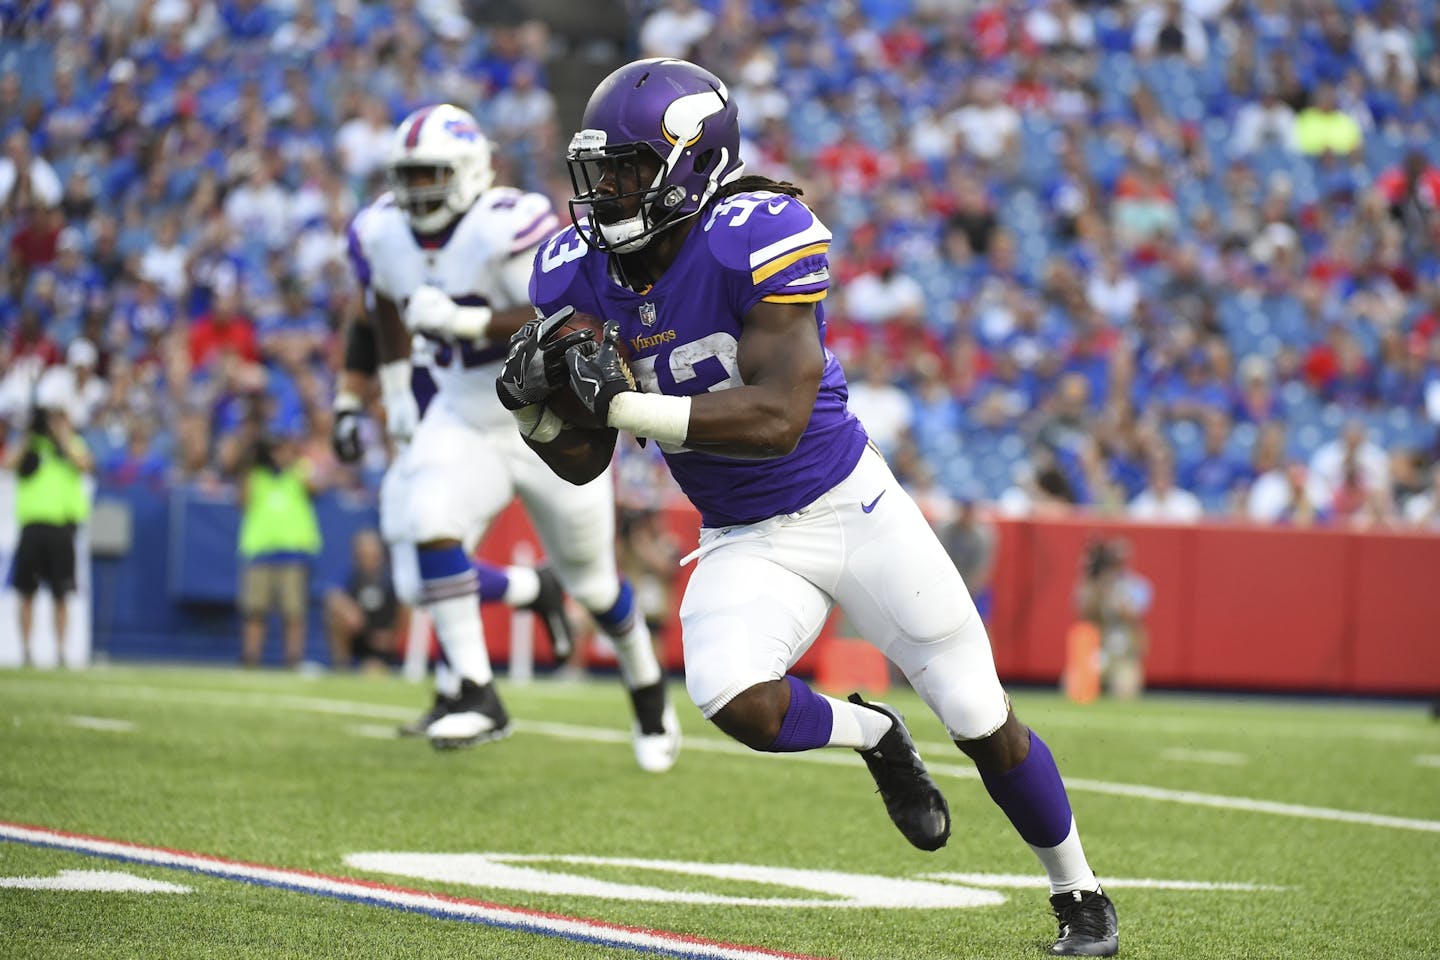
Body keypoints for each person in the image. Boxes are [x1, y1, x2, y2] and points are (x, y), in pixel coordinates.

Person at [501, 58, 1118, 956]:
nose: (608, 192)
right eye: (601, 173)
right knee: (732, 699)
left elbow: (780, 417)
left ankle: (1079, 891)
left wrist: (619, 402)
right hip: (744, 535)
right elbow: (584, 464)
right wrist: (535, 413)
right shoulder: (576, 273)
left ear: (689, 163)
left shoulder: (753, 233)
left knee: (981, 717)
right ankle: (873, 730)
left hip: (850, 505)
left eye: (631, 170)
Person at [340, 103, 679, 769]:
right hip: (464, 412)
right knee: (428, 522)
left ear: (470, 171)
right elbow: (381, 302)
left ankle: (646, 687)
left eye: (434, 174)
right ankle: (474, 688)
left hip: (546, 417)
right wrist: (393, 386)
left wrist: (469, 324)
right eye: (409, 176)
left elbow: (568, 311)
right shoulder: (381, 230)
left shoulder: (511, 223)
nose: (418, 191)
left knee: (597, 585)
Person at [4, 398, 92, 667]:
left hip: (61, 527)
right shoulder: (30, 447)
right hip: (32, 526)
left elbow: (85, 464)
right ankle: (26, 651)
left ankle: (62, 652)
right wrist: (29, 436)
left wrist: (63, 439)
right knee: (26, 592)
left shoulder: (73, 445)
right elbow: (7, 463)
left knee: (61, 593)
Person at [237, 432, 324, 668]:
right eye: (274, 449)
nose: (279, 454)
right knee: (255, 610)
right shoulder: (256, 475)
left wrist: (295, 458)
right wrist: (248, 460)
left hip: (293, 551)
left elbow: (317, 487)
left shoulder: (299, 470)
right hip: (260, 551)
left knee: (293, 611)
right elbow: (242, 501)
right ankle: (250, 658)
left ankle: (293, 659)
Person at [1074, 538, 1152, 700]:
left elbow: (1133, 616)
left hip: (1123, 655)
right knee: (1074, 689)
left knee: (1125, 691)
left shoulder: (1137, 584)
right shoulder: (1092, 585)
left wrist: (1112, 593)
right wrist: (1096, 583)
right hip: (1097, 651)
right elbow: (1084, 614)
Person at [326, 528, 401, 673]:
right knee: (335, 615)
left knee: (373, 671)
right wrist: (349, 610)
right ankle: (342, 666)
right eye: (363, 554)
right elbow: (332, 596)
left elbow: (405, 608)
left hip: (383, 638)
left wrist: (393, 635)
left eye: (371, 554)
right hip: (359, 635)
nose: (368, 558)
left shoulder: (390, 578)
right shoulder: (349, 575)